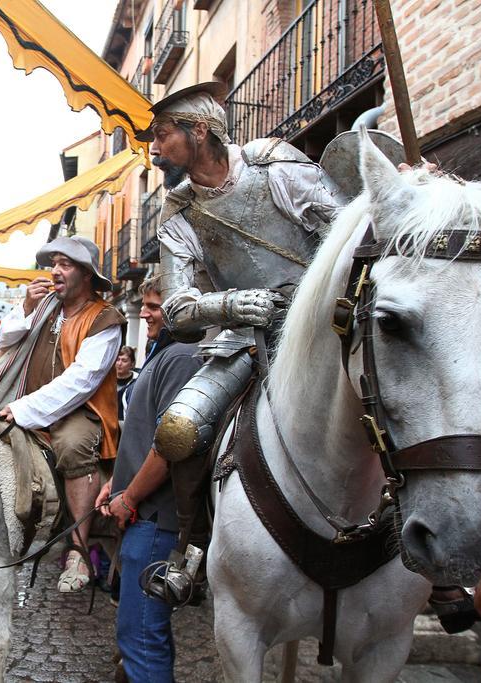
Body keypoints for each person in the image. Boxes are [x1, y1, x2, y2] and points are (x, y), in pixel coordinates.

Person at [136, 81, 345, 604]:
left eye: (161, 136)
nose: (154, 150)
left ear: (199, 131)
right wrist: (229, 306)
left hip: (326, 322)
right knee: (179, 429)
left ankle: (436, 569)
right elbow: (179, 309)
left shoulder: (276, 168)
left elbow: (346, 235)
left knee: (394, 390)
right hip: (243, 338)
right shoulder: (178, 216)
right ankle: (193, 549)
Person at [0, 235, 124, 592]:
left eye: (65, 264)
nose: (55, 271)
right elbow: (3, 340)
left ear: (86, 273)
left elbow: (81, 382)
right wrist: (25, 309)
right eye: (54, 263)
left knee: (72, 443)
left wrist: (23, 409)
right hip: (32, 403)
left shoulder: (105, 319)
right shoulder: (46, 304)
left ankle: (78, 549)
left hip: (82, 412)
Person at [96, 276, 202, 683]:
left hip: (156, 520)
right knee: (144, 633)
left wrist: (128, 498)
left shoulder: (180, 358)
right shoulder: (166, 354)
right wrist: (116, 482)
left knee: (141, 638)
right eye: (145, 304)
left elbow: (171, 446)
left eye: (154, 306)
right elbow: (144, 438)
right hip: (147, 515)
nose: (144, 312)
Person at [114, 345, 138, 429]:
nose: (119, 363)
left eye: (124, 360)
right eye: (117, 360)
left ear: (132, 364)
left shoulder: (138, 382)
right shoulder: (106, 381)